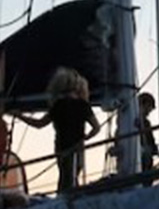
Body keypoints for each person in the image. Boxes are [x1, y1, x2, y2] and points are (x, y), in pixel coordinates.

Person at [18, 66, 99, 194]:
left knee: (65, 176)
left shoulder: (58, 105)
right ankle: (70, 199)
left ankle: (62, 199)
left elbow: (39, 124)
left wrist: (19, 116)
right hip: (78, 146)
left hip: (62, 147)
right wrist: (86, 137)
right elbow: (96, 128)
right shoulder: (83, 105)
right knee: (73, 176)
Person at [137, 92, 159, 175]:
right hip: (141, 162)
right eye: (149, 107)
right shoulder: (143, 123)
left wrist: (156, 150)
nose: (150, 111)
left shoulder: (146, 123)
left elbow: (151, 141)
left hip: (146, 162)